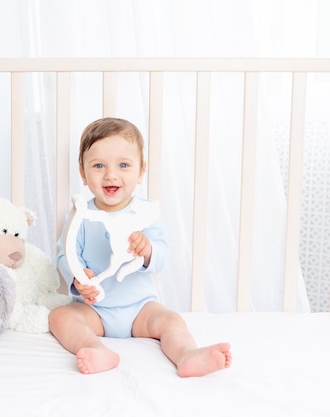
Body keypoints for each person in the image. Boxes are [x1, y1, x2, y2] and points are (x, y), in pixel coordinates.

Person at [49, 117, 232, 376]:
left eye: (124, 165)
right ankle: (94, 348)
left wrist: (147, 250)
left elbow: (162, 255)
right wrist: (78, 278)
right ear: (83, 172)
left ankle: (186, 354)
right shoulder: (80, 214)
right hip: (95, 310)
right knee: (61, 317)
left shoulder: (145, 213)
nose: (111, 174)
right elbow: (65, 254)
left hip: (140, 308)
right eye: (99, 165)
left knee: (171, 321)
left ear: (141, 170)